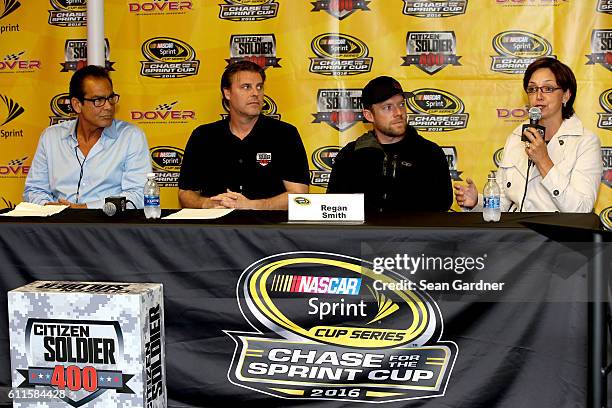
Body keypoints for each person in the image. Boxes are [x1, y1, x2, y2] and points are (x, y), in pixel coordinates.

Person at [454, 58, 602, 212]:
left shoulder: (586, 142)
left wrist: (543, 161)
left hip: (559, 234)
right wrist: (476, 201)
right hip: (518, 233)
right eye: (532, 89)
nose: (538, 95)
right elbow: (503, 204)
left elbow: (581, 209)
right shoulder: (517, 136)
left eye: (547, 88)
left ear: (566, 95)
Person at [178, 61, 309, 210]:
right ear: (227, 93)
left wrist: (252, 205)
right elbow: (185, 193)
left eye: (259, 87)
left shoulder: (285, 134)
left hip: (268, 229)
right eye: (246, 87)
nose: (255, 93)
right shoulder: (203, 136)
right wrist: (206, 203)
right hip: (215, 228)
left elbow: (299, 196)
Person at [23, 65, 151, 209]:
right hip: (56, 226)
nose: (108, 106)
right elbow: (34, 191)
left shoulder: (131, 137)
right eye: (98, 100)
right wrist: (51, 207)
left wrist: (86, 209)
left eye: (111, 98)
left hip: (107, 226)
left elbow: (139, 195)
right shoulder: (51, 138)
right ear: (77, 105)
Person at [326, 76, 452, 212]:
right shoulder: (350, 157)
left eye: (401, 104)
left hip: (413, 233)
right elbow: (336, 210)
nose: (398, 113)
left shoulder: (430, 154)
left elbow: (441, 208)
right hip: (365, 234)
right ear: (369, 115)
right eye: (388, 107)